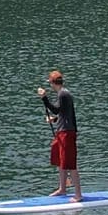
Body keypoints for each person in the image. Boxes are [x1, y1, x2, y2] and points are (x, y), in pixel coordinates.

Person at [40, 69, 80, 201]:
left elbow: (56, 109)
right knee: (59, 158)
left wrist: (44, 98)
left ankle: (78, 195)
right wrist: (55, 119)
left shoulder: (63, 94)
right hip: (63, 131)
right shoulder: (63, 94)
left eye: (50, 83)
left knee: (70, 164)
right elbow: (63, 113)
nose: (50, 85)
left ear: (53, 83)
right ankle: (62, 189)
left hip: (67, 133)